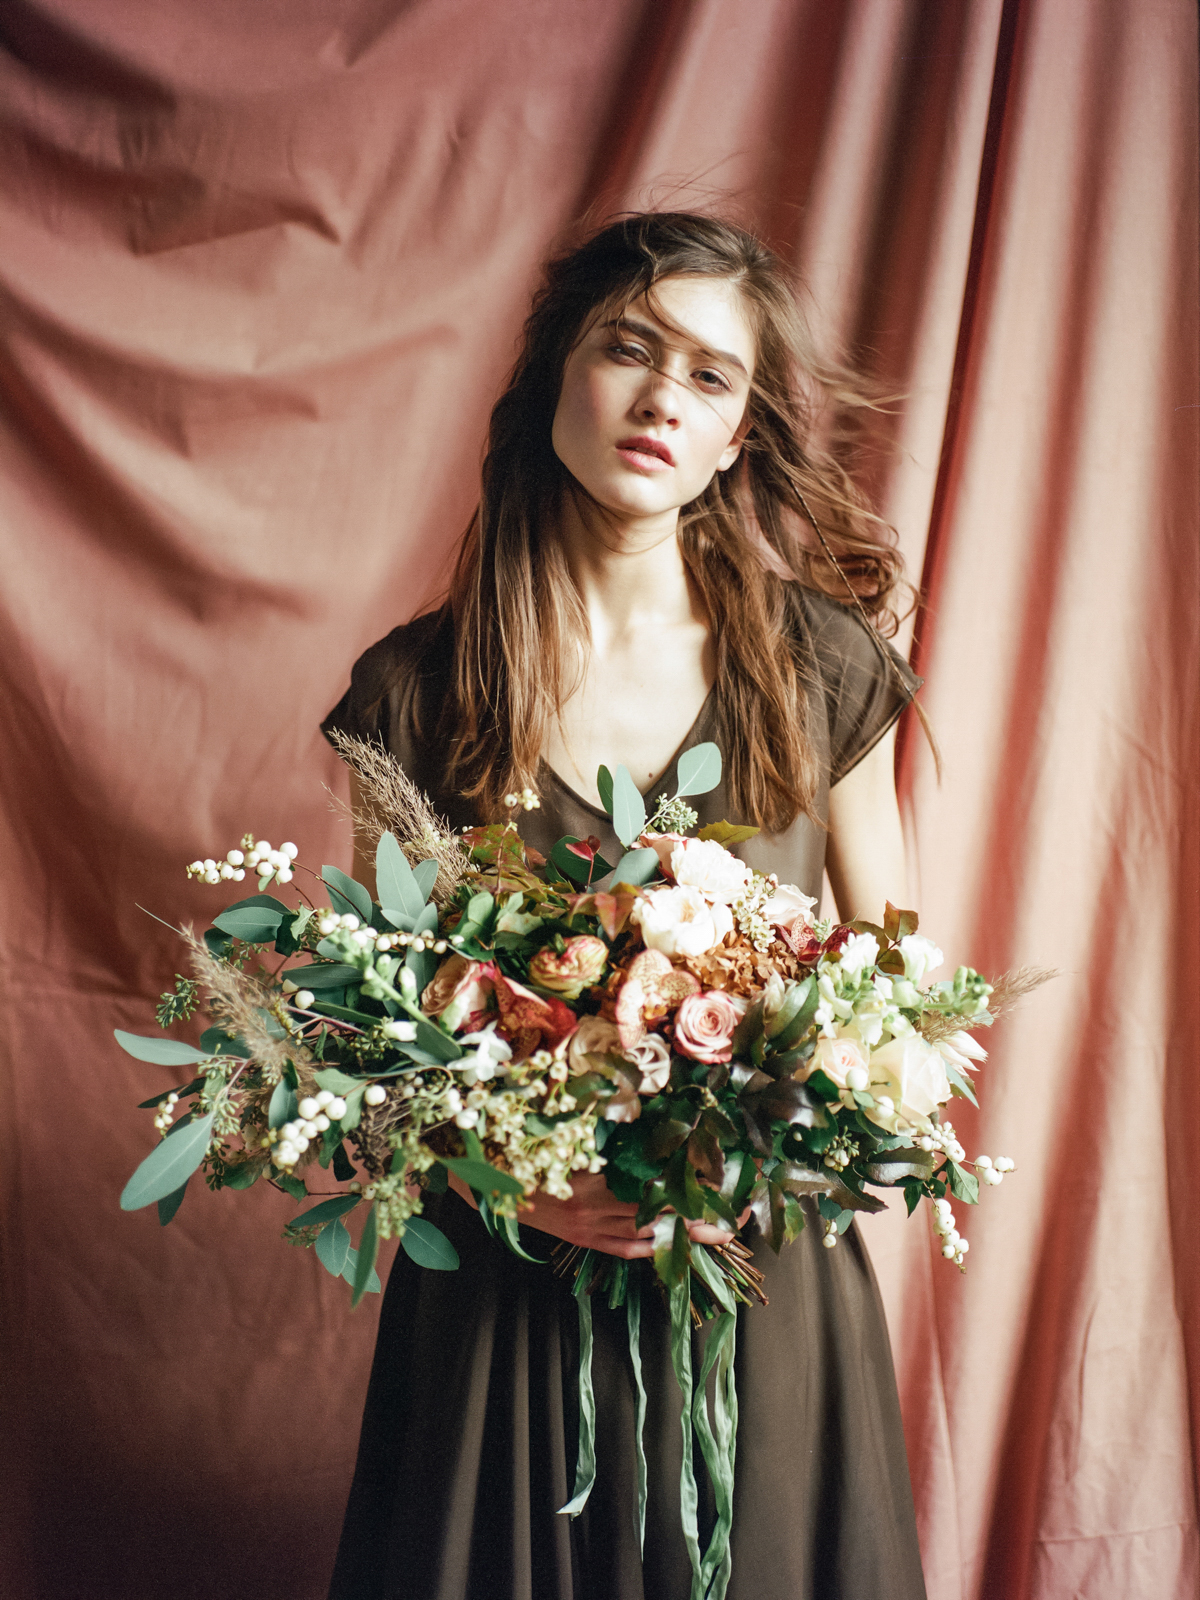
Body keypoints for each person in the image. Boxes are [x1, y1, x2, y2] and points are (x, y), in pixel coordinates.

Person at [322, 212, 928, 1600]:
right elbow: (382, 1039)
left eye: (711, 377)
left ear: (736, 438)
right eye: (630, 349)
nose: (663, 397)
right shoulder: (412, 698)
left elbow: (895, 1006)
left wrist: (759, 1155)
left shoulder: (822, 666)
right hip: (504, 1302)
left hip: (757, 1289)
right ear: (558, 374)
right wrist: (518, 1183)